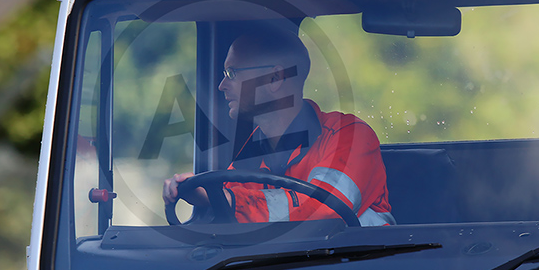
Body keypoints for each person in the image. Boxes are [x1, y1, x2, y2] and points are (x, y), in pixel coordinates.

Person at [163, 24, 394, 226]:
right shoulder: (247, 160)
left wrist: (231, 200)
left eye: (231, 73)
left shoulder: (351, 136)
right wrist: (204, 194)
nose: (222, 85)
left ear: (275, 79)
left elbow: (327, 209)